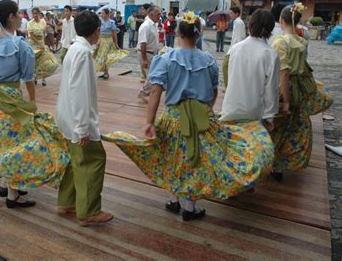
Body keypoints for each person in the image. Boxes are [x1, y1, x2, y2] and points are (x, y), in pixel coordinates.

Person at [102, 13, 273, 221]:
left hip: (174, 119)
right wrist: (206, 111)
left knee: (173, 158)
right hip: (203, 120)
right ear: (199, 34)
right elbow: (213, 92)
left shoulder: (165, 59)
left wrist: (149, 122)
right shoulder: (208, 60)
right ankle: (190, 209)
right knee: (196, 162)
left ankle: (174, 201)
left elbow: (155, 92)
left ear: (177, 33)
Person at [0, 0, 69, 209]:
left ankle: (9, 183)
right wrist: (32, 103)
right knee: (17, 144)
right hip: (11, 99)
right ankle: (13, 195)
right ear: (10, 17)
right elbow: (28, 79)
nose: (21, 18)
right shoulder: (21, 46)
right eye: (18, 14)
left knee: (4, 142)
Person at [56, 10, 114, 227]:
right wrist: (82, 128)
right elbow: (79, 91)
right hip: (77, 120)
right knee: (92, 161)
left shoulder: (74, 48)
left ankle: (67, 202)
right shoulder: (83, 52)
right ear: (97, 31)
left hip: (67, 117)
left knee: (75, 162)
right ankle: (88, 211)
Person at [269, 4, 313, 181]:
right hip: (299, 88)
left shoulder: (280, 42)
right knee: (293, 127)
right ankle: (284, 162)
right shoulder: (302, 42)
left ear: (281, 21)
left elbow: (283, 72)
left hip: (284, 88)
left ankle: (275, 165)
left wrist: (285, 100)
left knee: (278, 127)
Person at [220, 9, 280, 127]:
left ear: (250, 25)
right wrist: (269, 117)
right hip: (254, 112)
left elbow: (231, 77)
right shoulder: (270, 55)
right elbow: (271, 90)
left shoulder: (235, 49)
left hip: (231, 107)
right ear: (271, 29)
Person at [27, 7, 59, 86]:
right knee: (34, 62)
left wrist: (43, 42)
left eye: (36, 13)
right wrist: (39, 42)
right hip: (33, 45)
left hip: (42, 44)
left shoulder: (43, 22)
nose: (34, 15)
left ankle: (44, 78)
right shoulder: (30, 23)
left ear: (39, 13)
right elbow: (31, 35)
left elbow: (44, 33)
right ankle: (35, 77)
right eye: (33, 13)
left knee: (45, 61)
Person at [94, 8, 128, 79]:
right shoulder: (100, 22)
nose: (101, 15)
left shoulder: (111, 22)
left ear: (107, 14)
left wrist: (116, 43)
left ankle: (106, 72)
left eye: (103, 13)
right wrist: (98, 40)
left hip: (108, 41)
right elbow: (98, 32)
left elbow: (114, 33)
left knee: (106, 57)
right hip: (101, 40)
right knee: (98, 56)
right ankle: (103, 71)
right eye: (101, 13)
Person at [137, 6, 161, 101]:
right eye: (158, 14)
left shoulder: (153, 25)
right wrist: (145, 59)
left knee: (153, 74)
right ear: (151, 14)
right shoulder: (146, 26)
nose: (159, 16)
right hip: (146, 54)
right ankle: (143, 92)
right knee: (153, 75)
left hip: (152, 53)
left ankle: (146, 92)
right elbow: (143, 43)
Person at [223, 6, 247, 86]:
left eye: (231, 13)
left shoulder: (238, 22)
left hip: (235, 49)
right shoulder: (237, 22)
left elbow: (239, 37)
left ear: (236, 14)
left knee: (225, 66)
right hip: (234, 48)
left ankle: (228, 86)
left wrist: (235, 50)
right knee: (229, 67)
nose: (230, 15)